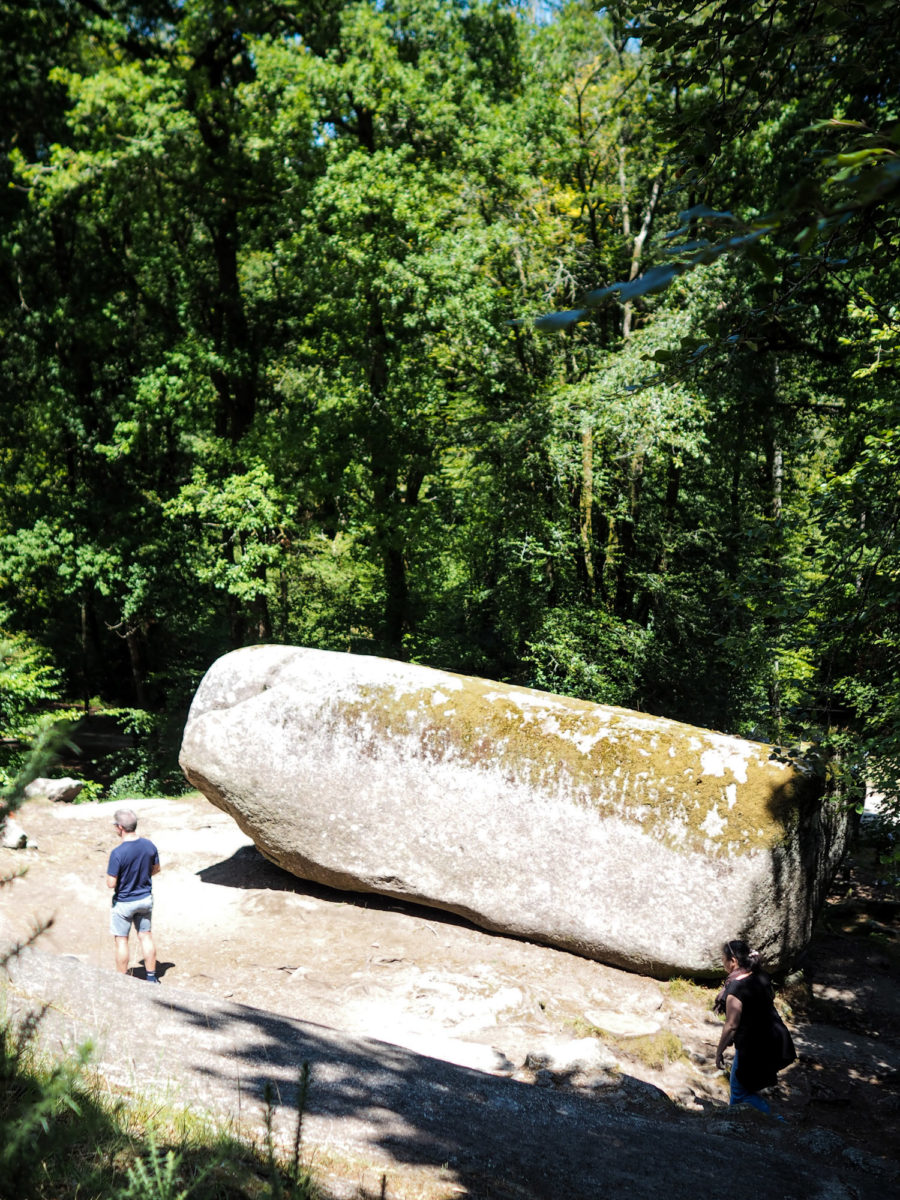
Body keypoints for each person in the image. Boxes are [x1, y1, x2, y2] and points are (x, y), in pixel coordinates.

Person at [714, 938, 795, 1115]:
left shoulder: (736, 988)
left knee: (739, 1092)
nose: (723, 963)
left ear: (733, 961)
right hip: (774, 1038)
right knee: (747, 1087)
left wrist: (719, 1051)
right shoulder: (760, 975)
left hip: (753, 1047)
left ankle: (775, 1121)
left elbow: (731, 1025)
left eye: (723, 959)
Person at [106, 808, 160, 983]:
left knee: (122, 941)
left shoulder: (118, 853)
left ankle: (122, 981)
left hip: (124, 902)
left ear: (120, 827)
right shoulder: (149, 845)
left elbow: (111, 883)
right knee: (145, 936)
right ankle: (151, 977)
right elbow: (156, 869)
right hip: (145, 899)